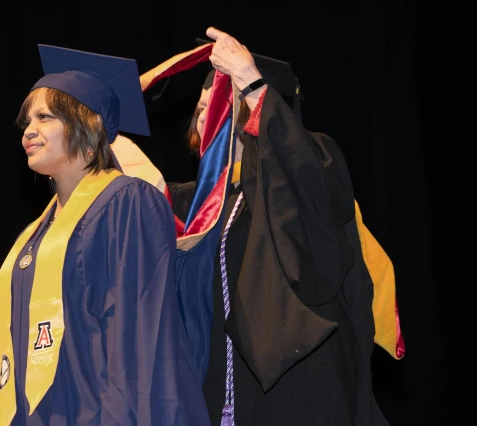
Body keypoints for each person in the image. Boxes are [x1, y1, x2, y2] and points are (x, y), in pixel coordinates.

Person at [114, 26, 404, 426]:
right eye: (199, 109)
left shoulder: (308, 159)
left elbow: (302, 187)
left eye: (216, 101)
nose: (205, 114)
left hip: (299, 383)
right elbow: (130, 189)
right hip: (217, 389)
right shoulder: (192, 204)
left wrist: (250, 81)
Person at [0, 44, 211, 426]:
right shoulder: (34, 236)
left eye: (44, 116)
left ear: (89, 126)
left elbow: (141, 334)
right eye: (27, 120)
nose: (29, 130)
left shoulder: (128, 203)